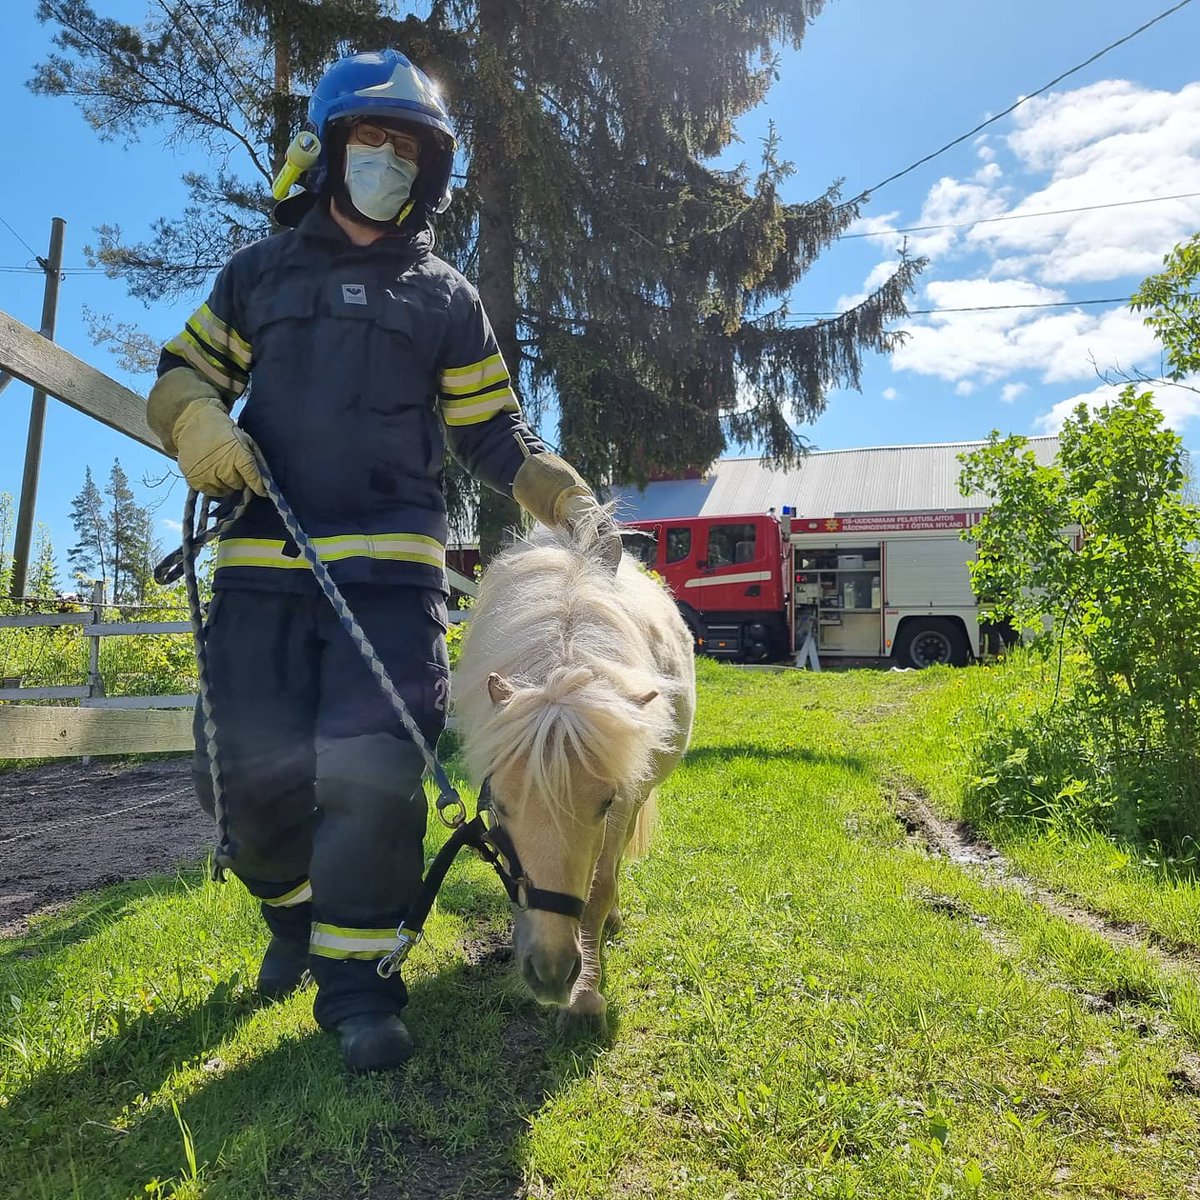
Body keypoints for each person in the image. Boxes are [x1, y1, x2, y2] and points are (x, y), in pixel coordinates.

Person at [146, 48, 617, 1073]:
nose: (388, 163)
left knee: (374, 783)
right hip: (265, 570)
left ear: (429, 174)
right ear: (325, 151)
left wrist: (567, 497)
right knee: (247, 787)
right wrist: (195, 428)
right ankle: (290, 919)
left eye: (408, 150)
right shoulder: (258, 274)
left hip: (393, 590)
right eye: (372, 141)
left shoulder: (445, 296)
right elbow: (182, 372)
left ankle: (360, 989)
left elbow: (497, 432)